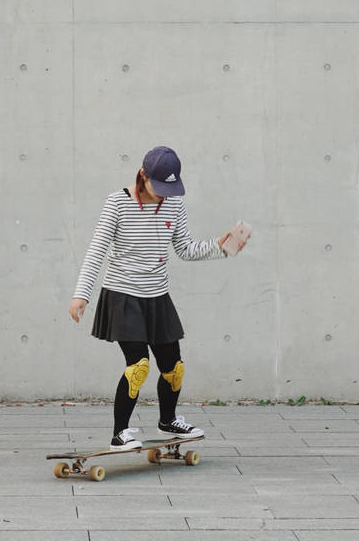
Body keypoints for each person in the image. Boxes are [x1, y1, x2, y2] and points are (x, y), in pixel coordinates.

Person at [69, 145, 250, 449]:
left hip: (158, 297)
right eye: (159, 187)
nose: (165, 194)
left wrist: (221, 246)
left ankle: (168, 420)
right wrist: (81, 295)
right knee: (138, 366)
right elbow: (96, 251)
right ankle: (120, 434)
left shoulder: (174, 204)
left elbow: (186, 249)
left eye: (171, 188)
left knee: (173, 367)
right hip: (123, 297)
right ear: (142, 176)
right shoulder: (116, 203)